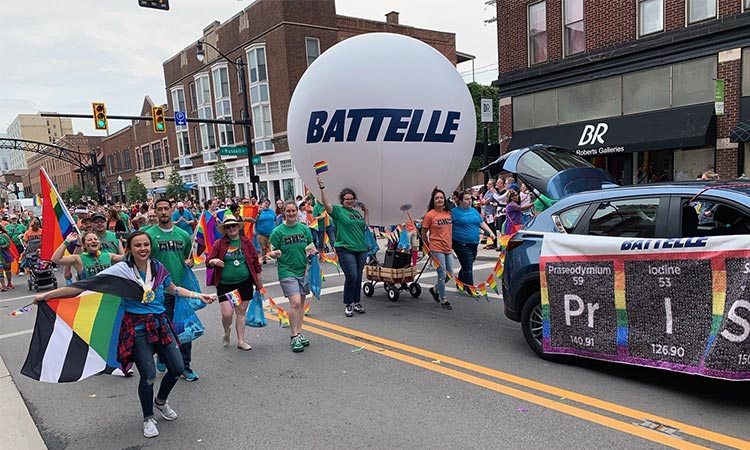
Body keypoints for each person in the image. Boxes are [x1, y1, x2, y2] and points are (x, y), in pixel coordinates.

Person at [34, 231, 214, 438]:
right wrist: (47, 295)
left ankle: (161, 402)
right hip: (136, 329)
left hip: (160, 325)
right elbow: (81, 287)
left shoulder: (158, 267)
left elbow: (172, 288)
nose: (143, 249)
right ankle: (148, 418)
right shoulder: (120, 271)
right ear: (129, 249)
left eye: (146, 244)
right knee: (148, 375)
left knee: (177, 368)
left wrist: (198, 294)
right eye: (138, 245)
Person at [145, 199, 198, 381]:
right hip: (159, 292)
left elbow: (188, 257)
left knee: (185, 329)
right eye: (159, 209)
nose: (163, 212)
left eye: (166, 208)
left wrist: (190, 262)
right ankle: (162, 354)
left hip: (180, 290)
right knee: (164, 330)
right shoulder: (149, 235)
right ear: (155, 212)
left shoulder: (182, 234)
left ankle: (186, 366)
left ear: (171, 210)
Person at [207, 214, 263, 351]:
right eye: (228, 227)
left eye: (233, 225)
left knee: (241, 311)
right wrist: (213, 261)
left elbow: (256, 263)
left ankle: (241, 340)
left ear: (238, 227)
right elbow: (208, 262)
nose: (231, 228)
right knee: (227, 313)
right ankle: (227, 331)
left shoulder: (246, 242)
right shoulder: (219, 244)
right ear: (225, 229)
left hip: (244, 282)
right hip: (226, 284)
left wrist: (259, 283)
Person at [317, 177, 368, 317]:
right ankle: (349, 303)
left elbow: (364, 227)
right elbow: (327, 205)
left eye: (351, 198)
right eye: (346, 199)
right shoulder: (339, 212)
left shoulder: (357, 213)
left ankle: (357, 302)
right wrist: (322, 188)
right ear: (342, 200)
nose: (349, 200)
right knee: (351, 276)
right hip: (345, 248)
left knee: (358, 277)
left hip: (361, 249)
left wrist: (366, 212)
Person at [269, 200, 315, 351]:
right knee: (295, 303)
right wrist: (274, 254)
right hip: (287, 270)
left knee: (301, 304)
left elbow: (309, 247)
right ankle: (294, 336)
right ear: (284, 213)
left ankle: (299, 332)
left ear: (297, 212)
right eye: (288, 211)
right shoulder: (278, 231)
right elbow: (271, 252)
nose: (291, 214)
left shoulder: (304, 229)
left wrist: (312, 256)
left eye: (293, 211)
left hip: (303, 269)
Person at [451, 190, 495, 287]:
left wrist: (491, 232)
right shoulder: (454, 212)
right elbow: (448, 227)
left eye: (470, 199)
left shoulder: (473, 211)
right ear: (460, 201)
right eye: (466, 199)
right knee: (468, 265)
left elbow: (481, 222)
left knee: (469, 262)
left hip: (474, 243)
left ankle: (461, 281)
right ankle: (470, 288)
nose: (469, 201)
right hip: (460, 243)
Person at [421, 188, 454, 310]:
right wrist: (427, 247)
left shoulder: (448, 213)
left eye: (441, 197)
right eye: (436, 198)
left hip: (448, 248)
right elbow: (423, 233)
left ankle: (435, 289)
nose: (439, 200)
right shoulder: (429, 215)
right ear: (433, 201)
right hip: (436, 247)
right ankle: (443, 299)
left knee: (450, 274)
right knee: (441, 274)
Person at [51, 231, 124, 280]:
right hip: (88, 297)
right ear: (84, 245)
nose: (93, 241)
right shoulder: (78, 258)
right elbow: (56, 259)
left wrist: (120, 242)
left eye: (95, 239)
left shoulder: (108, 256)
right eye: (89, 240)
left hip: (108, 296)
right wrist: (67, 241)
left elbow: (126, 258)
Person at [0, 224, 15, 290]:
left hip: (5, 254)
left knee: (7, 270)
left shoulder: (4, 235)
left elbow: (8, 244)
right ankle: (3, 286)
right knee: (0, 271)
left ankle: (9, 283)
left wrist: (2, 246)